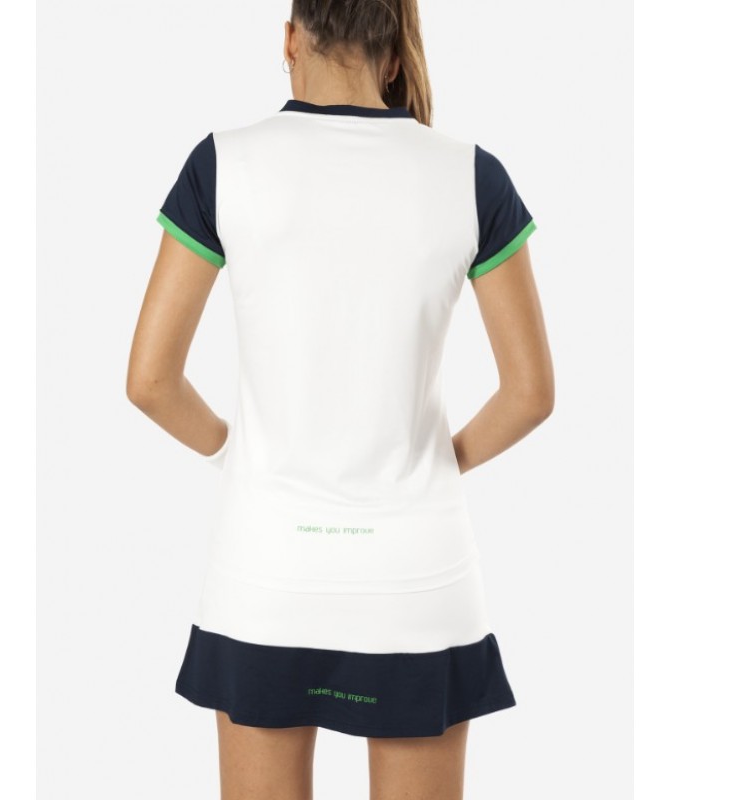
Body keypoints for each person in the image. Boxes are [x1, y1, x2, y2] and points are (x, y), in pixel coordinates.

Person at [126, 1, 554, 797]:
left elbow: (150, 380)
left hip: (267, 570)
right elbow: (529, 394)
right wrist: (431, 465)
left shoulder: (222, 164)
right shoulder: (471, 175)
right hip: (416, 576)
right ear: (394, 55)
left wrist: (234, 453)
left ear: (291, 38)